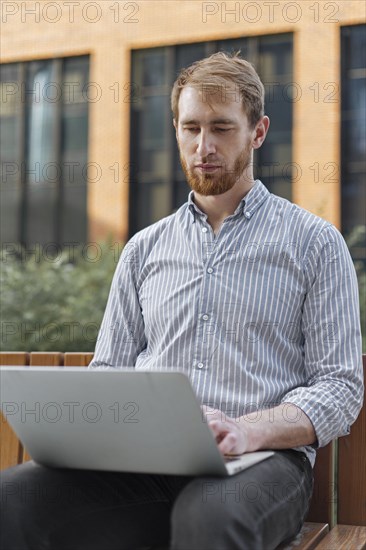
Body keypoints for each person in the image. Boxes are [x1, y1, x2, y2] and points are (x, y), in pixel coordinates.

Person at [1, 51, 363, 550]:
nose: (203, 146)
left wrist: (246, 429)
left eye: (221, 128)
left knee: (208, 520)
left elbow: (340, 386)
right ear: (175, 130)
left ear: (258, 132)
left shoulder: (315, 244)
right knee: (12, 497)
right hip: (146, 466)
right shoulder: (143, 250)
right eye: (190, 128)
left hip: (259, 466)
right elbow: (109, 370)